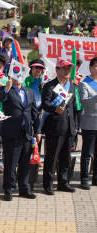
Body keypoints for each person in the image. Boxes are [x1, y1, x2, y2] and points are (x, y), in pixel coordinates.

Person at [0, 75, 39, 201]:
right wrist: (7, 88)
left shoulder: (29, 91)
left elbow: (34, 112)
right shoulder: (6, 89)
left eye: (21, 74)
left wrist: (37, 131)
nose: (18, 77)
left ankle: (24, 188)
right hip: (11, 131)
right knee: (11, 163)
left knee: (25, 162)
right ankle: (8, 189)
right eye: (16, 74)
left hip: (26, 131)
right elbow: (1, 99)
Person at [41, 58, 77, 195]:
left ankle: (63, 183)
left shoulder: (72, 86)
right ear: (57, 69)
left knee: (65, 157)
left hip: (69, 127)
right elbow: (45, 104)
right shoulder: (49, 86)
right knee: (52, 157)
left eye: (69, 68)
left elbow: (73, 108)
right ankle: (48, 185)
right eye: (65, 68)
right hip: (55, 127)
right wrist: (55, 108)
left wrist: (75, 126)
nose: (68, 70)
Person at [79, 57, 97, 190]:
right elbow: (84, 102)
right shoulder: (84, 83)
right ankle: (84, 179)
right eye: (95, 66)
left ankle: (95, 178)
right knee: (87, 153)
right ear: (90, 68)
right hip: (90, 123)